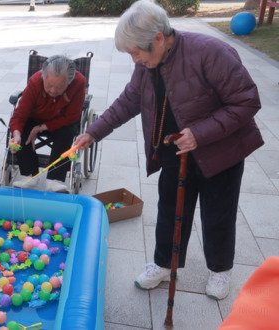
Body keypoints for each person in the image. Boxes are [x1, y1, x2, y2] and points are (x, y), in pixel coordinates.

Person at [74, 0, 264, 300]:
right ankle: (164, 264)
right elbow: (129, 101)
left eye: (137, 52)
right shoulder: (146, 64)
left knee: (218, 213)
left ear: (159, 38)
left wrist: (199, 134)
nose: (135, 59)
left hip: (220, 152)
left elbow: (247, 101)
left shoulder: (211, 52)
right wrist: (92, 133)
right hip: (174, 151)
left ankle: (219, 269)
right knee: (170, 211)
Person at [8, 55, 86, 193]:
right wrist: (16, 135)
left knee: (68, 132)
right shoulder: (35, 82)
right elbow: (19, 115)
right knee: (22, 128)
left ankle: (54, 180)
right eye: (49, 85)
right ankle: (30, 175)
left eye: (60, 87)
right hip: (36, 117)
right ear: (43, 77)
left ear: (69, 82)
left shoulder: (79, 83)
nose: (53, 91)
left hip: (61, 121)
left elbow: (72, 117)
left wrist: (40, 128)